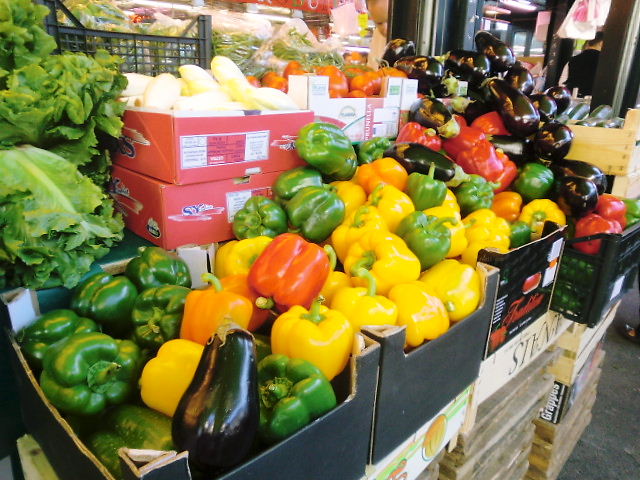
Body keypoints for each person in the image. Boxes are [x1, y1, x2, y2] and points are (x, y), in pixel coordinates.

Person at [560, 32, 604, 97]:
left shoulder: (573, 60)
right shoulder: (605, 62)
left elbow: (562, 83)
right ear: (601, 43)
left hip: (573, 97)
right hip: (594, 99)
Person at [366, 0, 388, 69]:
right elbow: (371, 68)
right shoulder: (377, 35)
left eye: (389, 20)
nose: (385, 28)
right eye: (379, 23)